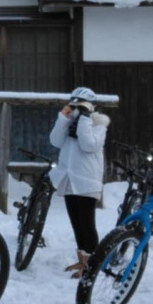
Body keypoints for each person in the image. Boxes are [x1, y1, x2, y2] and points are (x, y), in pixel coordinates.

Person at [48, 86, 110, 279]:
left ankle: (92, 266)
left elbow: (88, 144)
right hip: (68, 179)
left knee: (87, 225)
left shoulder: (98, 124)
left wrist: (84, 118)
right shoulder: (70, 122)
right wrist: (63, 118)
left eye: (80, 105)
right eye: (74, 105)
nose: (76, 109)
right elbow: (55, 141)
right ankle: (83, 260)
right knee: (76, 223)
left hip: (86, 181)